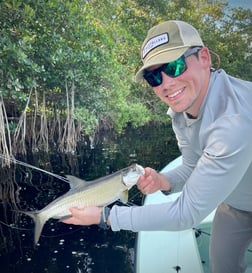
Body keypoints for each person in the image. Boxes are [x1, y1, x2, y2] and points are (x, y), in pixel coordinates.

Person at [62, 20, 252, 273]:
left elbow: (187, 214)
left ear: (204, 57)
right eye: (153, 76)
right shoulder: (179, 112)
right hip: (237, 204)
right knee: (222, 267)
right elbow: (192, 165)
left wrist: (105, 217)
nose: (165, 83)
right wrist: (164, 181)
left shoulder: (234, 121)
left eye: (174, 66)